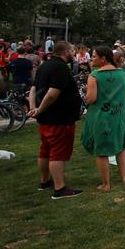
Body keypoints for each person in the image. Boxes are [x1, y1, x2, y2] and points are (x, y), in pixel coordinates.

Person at [28, 41, 83, 199]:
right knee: (57, 153)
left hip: (47, 118)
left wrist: (34, 108)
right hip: (59, 118)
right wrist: (39, 109)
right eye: (73, 50)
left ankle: (45, 181)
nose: (74, 53)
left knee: (45, 150)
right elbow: (52, 94)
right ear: (66, 52)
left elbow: (33, 89)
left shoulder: (44, 66)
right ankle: (60, 188)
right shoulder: (60, 68)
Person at [81, 46, 125, 193]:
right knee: (121, 146)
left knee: (102, 150)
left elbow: (91, 98)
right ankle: (124, 177)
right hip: (119, 114)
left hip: (101, 116)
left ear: (103, 58)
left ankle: (106, 184)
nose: (92, 59)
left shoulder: (95, 76)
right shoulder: (123, 74)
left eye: (94, 56)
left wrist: (86, 95)